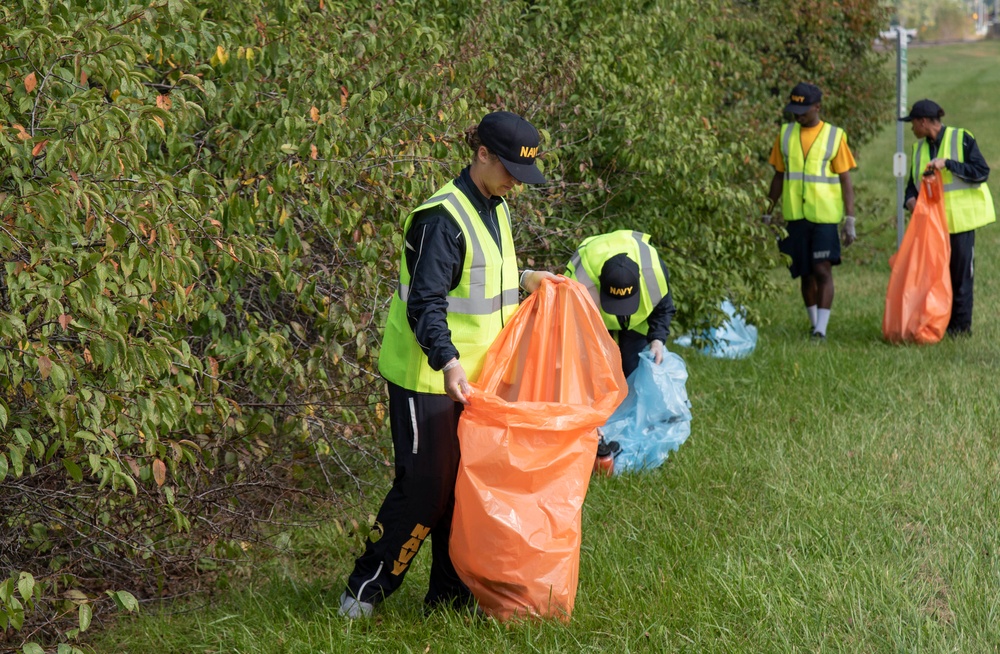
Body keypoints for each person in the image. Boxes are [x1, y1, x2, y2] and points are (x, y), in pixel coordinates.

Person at [337, 111, 561, 619]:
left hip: (474, 384)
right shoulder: (440, 218)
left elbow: (479, 278)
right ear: (482, 153)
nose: (515, 185)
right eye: (509, 170)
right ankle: (363, 592)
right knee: (425, 492)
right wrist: (449, 362)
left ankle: (449, 601)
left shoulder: (495, 204)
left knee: (465, 490)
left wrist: (524, 277)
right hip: (429, 379)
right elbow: (426, 303)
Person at [763, 82, 857, 340]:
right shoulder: (785, 134)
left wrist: (850, 219)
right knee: (804, 272)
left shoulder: (834, 136)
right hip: (796, 216)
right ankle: (813, 324)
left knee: (822, 269)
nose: (798, 114)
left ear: (817, 107)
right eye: (794, 109)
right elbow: (778, 176)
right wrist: (767, 212)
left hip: (825, 217)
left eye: (803, 109)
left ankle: (821, 330)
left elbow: (845, 180)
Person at [902, 99, 995, 337]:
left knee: (960, 278)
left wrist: (949, 164)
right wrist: (910, 200)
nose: (911, 128)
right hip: (932, 227)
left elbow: (981, 172)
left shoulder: (962, 138)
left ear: (923, 121)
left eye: (913, 123)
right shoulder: (917, 150)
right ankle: (937, 324)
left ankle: (960, 330)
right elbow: (912, 185)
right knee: (933, 278)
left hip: (961, 223)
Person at [564, 230, 675, 378]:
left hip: (637, 324)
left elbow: (663, 309)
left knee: (635, 370)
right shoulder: (581, 280)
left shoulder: (653, 276)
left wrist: (657, 340)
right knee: (596, 370)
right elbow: (569, 318)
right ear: (599, 282)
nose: (620, 312)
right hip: (595, 322)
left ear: (640, 281)